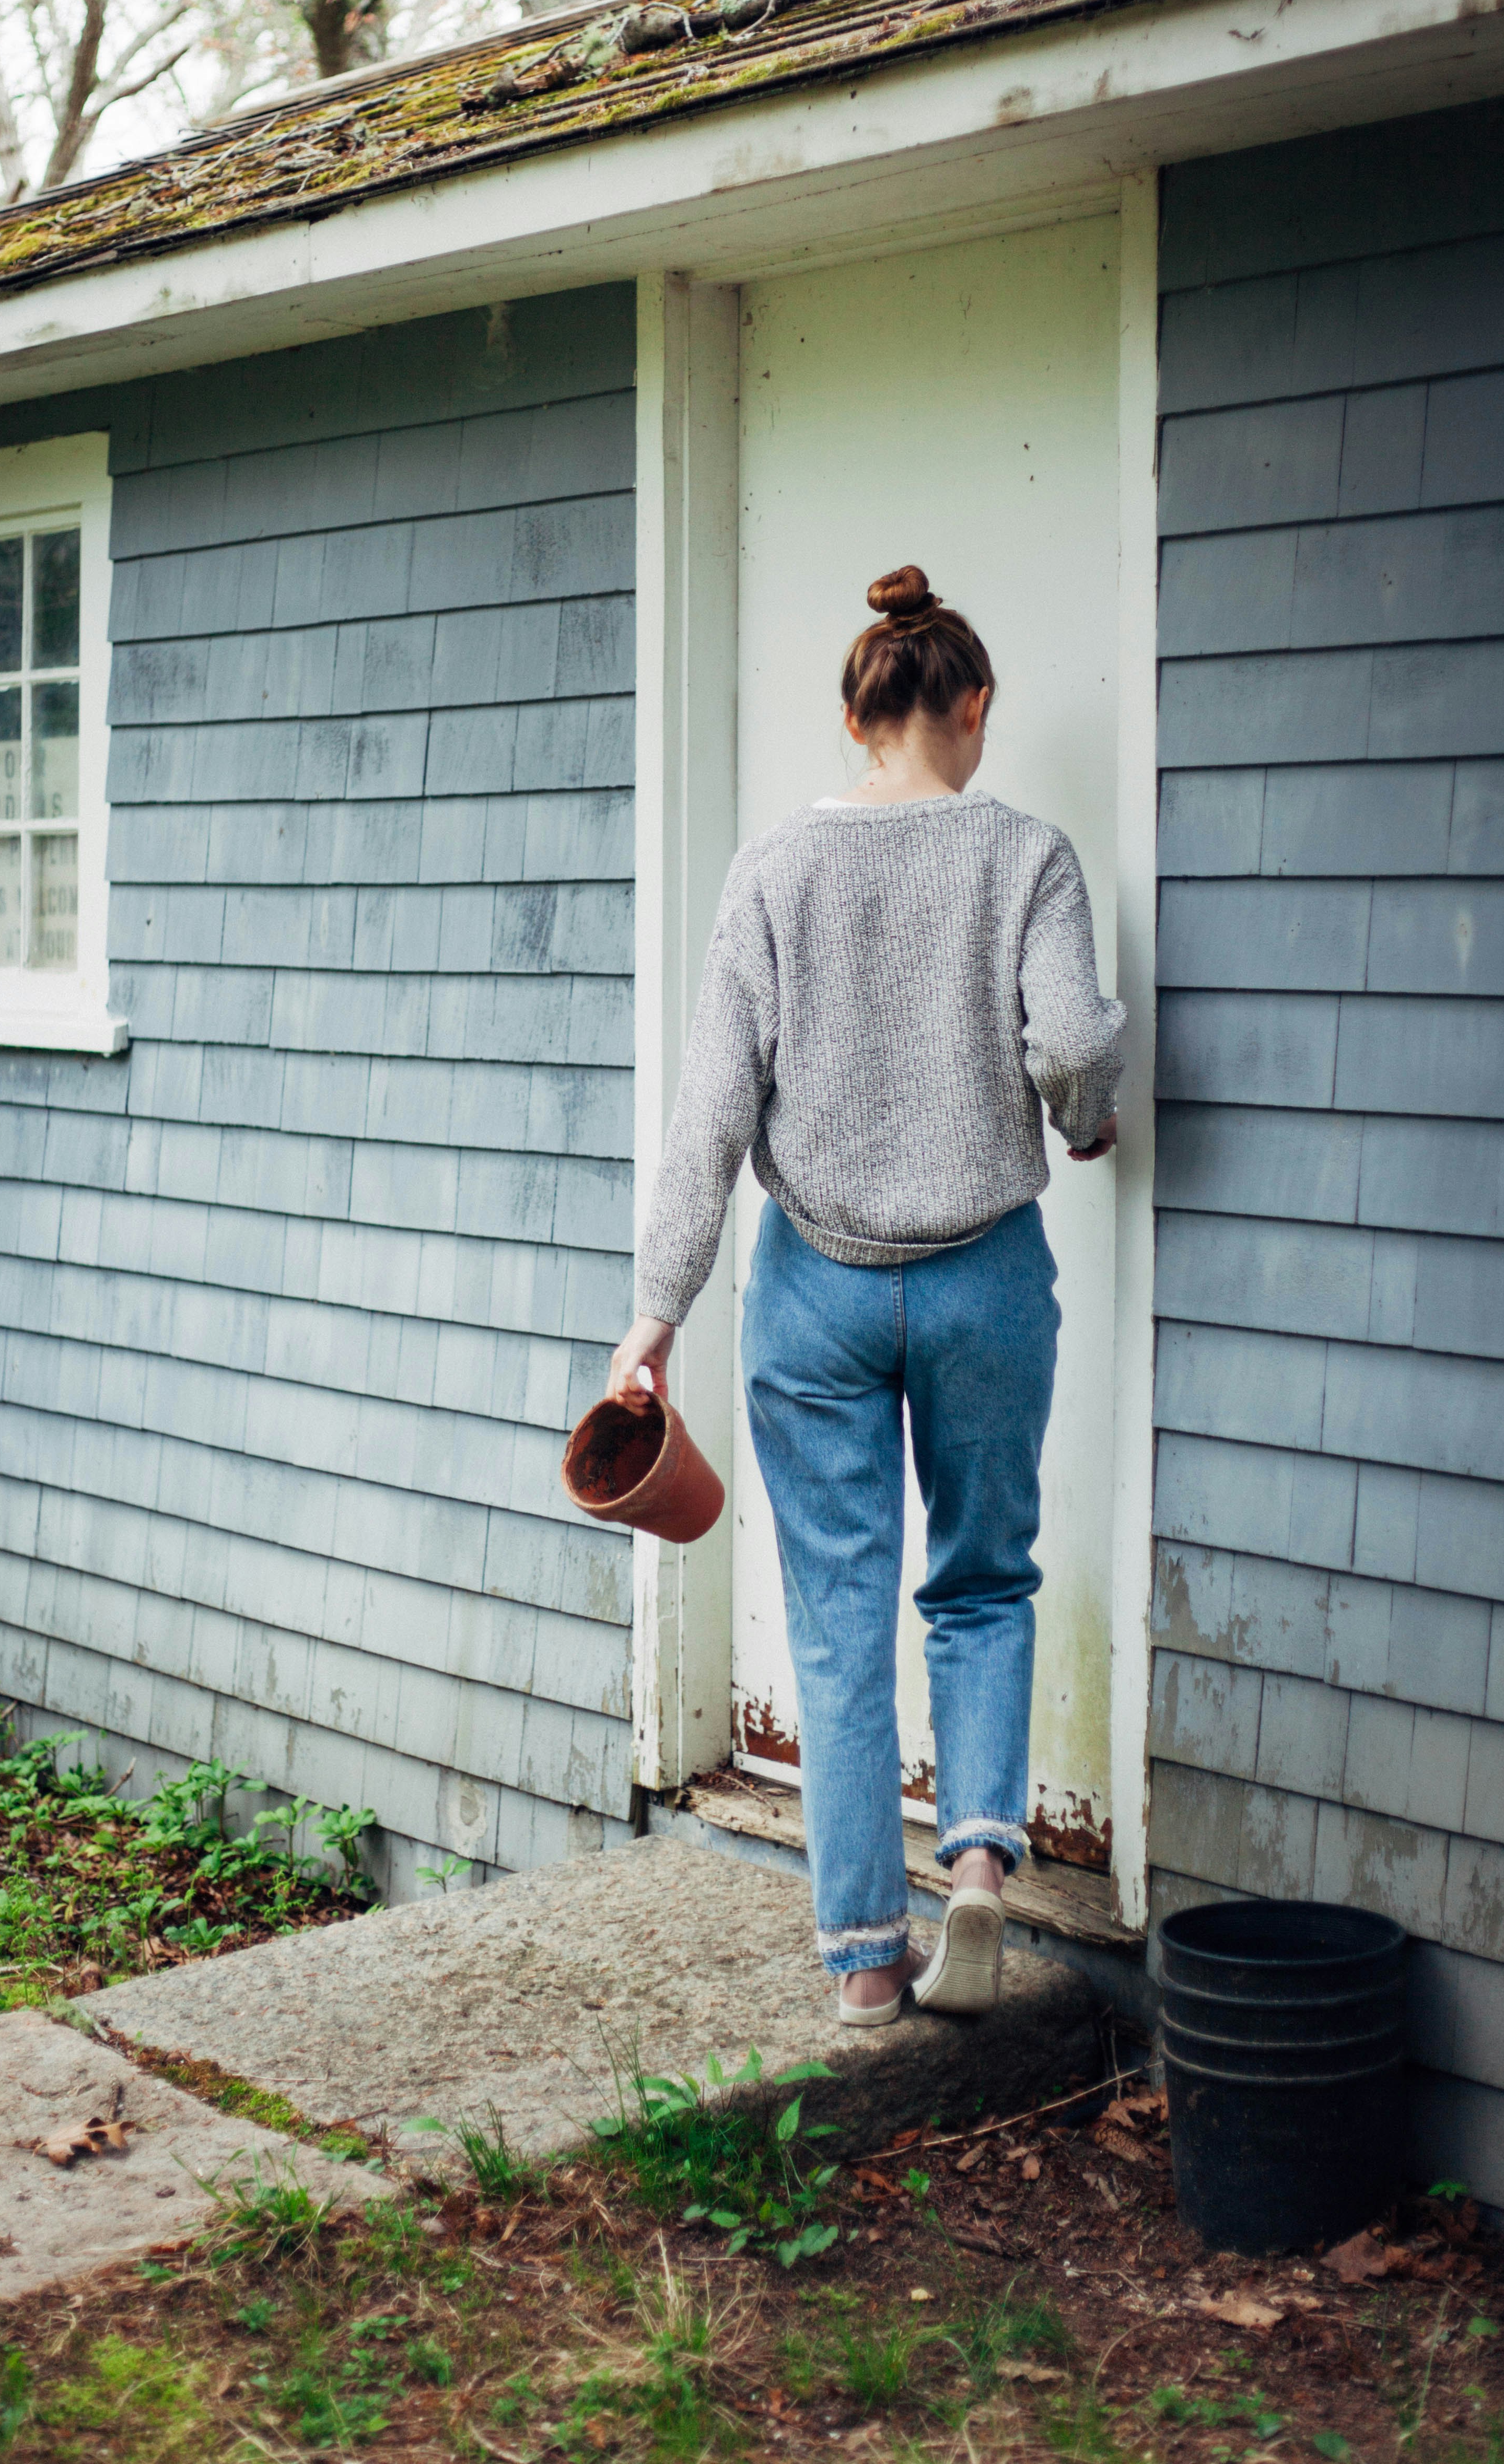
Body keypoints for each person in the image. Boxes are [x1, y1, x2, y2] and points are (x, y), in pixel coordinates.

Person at [606, 565, 1125, 2024]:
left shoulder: (774, 870)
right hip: (984, 1284)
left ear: (856, 714)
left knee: (837, 1615)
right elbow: (1076, 1037)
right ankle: (974, 1871)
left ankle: (861, 1965)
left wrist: (657, 1315)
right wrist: (1083, 1120)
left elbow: (712, 1115)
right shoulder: (1027, 854)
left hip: (814, 1292)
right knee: (980, 1581)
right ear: (967, 708)